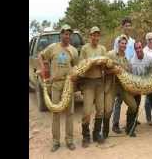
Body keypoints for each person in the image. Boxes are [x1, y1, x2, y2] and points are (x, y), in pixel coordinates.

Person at [38, 24, 79, 152]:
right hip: (55, 84)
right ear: (60, 35)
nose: (67, 36)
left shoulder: (73, 50)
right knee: (55, 112)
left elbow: (76, 68)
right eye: (65, 34)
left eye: (69, 34)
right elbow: (41, 55)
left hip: (68, 85)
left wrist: (74, 79)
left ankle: (69, 140)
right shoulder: (53, 48)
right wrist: (43, 67)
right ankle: (56, 141)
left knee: (70, 113)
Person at [79, 26, 107, 147]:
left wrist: (102, 64)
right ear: (90, 36)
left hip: (100, 82)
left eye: (97, 35)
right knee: (87, 111)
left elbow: (106, 65)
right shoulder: (85, 49)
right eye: (93, 35)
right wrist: (92, 63)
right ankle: (85, 136)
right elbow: (81, 66)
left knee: (100, 110)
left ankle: (96, 134)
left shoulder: (102, 49)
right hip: (88, 82)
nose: (95, 37)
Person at [106, 35, 139, 137]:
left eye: (125, 44)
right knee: (108, 109)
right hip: (112, 86)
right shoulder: (110, 54)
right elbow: (104, 70)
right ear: (118, 44)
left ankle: (129, 129)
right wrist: (113, 70)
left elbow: (129, 74)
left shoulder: (126, 60)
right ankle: (104, 132)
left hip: (123, 87)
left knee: (133, 106)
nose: (123, 45)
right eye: (122, 43)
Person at [131, 40, 152, 132]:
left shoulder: (149, 58)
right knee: (134, 101)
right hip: (138, 84)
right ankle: (131, 124)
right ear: (134, 50)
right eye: (136, 48)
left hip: (149, 82)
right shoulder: (132, 62)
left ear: (142, 47)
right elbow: (133, 76)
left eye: (139, 47)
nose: (138, 50)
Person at [112, 17, 136, 134]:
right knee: (119, 100)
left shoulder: (133, 41)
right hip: (120, 74)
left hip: (130, 72)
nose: (128, 27)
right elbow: (115, 56)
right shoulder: (118, 39)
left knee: (130, 98)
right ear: (123, 27)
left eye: (129, 25)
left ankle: (130, 121)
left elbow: (134, 57)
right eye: (126, 25)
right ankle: (115, 124)